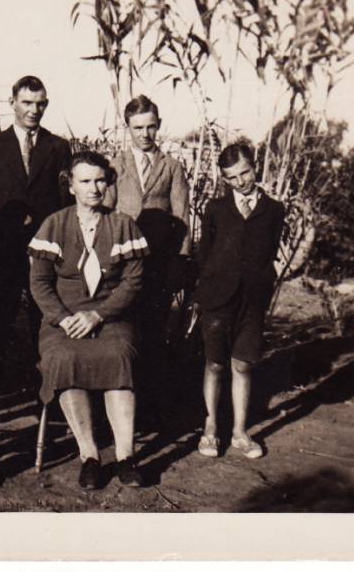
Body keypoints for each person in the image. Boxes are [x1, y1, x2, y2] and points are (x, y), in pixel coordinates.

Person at [28, 151, 149, 489]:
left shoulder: (123, 224)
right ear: (71, 186)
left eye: (99, 180)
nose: (94, 188)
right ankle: (90, 456)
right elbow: (39, 283)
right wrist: (63, 319)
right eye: (85, 181)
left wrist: (99, 314)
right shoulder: (54, 224)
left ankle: (126, 456)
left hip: (111, 316)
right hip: (63, 321)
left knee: (119, 355)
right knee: (64, 357)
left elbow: (133, 282)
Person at [0, 75, 72, 423]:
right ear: (13, 102)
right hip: (4, 253)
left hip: (43, 253)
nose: (34, 110)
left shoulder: (58, 148)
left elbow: (62, 202)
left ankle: (51, 404)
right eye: (27, 102)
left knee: (44, 323)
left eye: (40, 103)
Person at [193, 142, 285, 459]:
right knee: (216, 364)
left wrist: (259, 287)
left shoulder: (273, 210)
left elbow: (269, 252)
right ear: (224, 179)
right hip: (218, 299)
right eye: (232, 177)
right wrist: (208, 292)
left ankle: (240, 432)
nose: (240, 181)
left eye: (244, 172)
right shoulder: (216, 209)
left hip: (253, 300)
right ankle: (209, 429)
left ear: (255, 166)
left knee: (243, 364)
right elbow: (205, 254)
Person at [103, 96, 191, 416]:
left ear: (159, 125)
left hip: (157, 265)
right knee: (123, 331)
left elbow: (182, 216)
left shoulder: (172, 167)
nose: (145, 134)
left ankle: (151, 407)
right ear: (128, 128)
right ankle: (119, 404)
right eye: (138, 128)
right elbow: (106, 213)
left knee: (153, 332)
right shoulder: (115, 165)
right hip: (123, 266)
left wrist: (180, 261)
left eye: (151, 127)